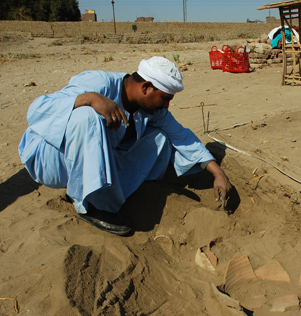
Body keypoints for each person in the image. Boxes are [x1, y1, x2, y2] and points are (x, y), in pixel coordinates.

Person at [18, 57, 232, 236]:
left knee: (160, 137)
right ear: (147, 88)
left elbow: (182, 136)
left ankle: (113, 190)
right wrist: (89, 98)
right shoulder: (98, 82)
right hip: (50, 158)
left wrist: (218, 173)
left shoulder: (151, 109)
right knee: (86, 117)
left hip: (85, 161)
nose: (166, 106)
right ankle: (93, 208)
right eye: (165, 99)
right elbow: (37, 110)